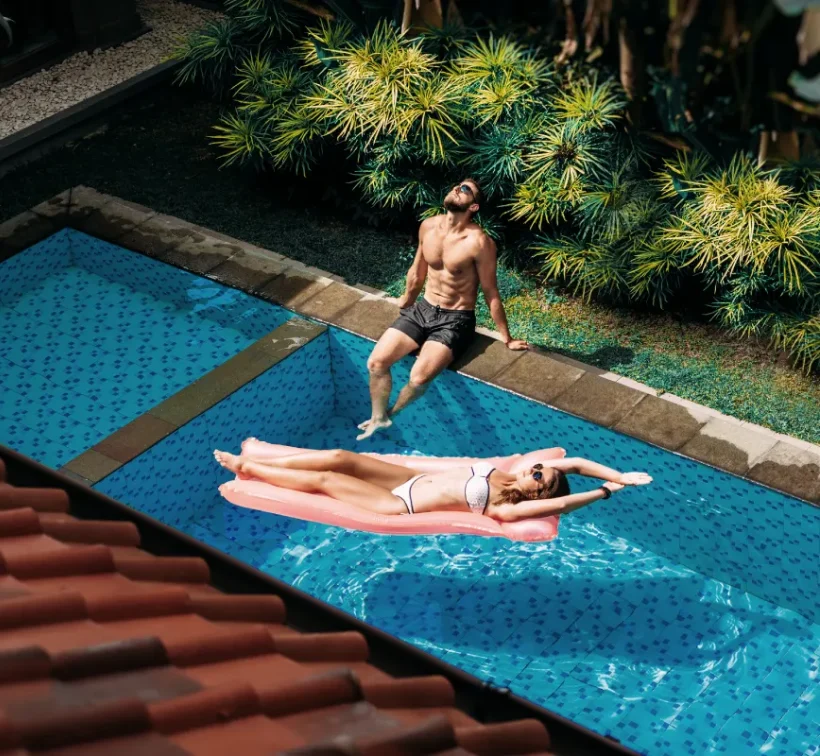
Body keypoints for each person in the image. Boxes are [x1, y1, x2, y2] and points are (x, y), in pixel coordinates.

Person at [356, 178, 530, 441]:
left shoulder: (480, 242)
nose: (456, 190)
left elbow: (490, 291)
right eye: (455, 186)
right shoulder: (428, 226)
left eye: (464, 190)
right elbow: (418, 269)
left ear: (474, 207)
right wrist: (407, 298)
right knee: (376, 362)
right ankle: (378, 416)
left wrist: (507, 338)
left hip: (455, 320)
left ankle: (392, 412)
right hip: (423, 308)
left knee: (418, 378)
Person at [213, 447, 653, 523]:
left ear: (536, 490)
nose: (538, 468)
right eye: (540, 467)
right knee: (341, 458)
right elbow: (572, 462)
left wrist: (604, 493)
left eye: (541, 476)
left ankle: (249, 468)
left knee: (328, 479)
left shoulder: (505, 505)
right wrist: (619, 474)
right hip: (410, 478)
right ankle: (264, 458)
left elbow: (556, 506)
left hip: (396, 503)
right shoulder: (512, 467)